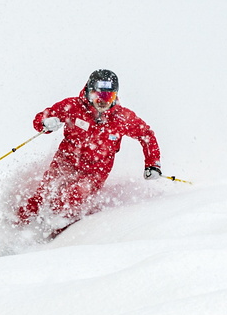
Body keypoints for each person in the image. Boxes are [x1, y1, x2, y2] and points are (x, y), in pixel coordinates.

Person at [15, 69, 162, 227]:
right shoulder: (73, 107)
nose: (102, 101)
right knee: (42, 195)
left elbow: (146, 135)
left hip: (95, 173)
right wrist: (46, 123)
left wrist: (152, 164)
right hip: (65, 163)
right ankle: (17, 228)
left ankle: (54, 238)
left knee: (72, 197)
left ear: (115, 96)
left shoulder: (121, 118)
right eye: (96, 95)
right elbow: (42, 118)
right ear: (88, 92)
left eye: (108, 96)